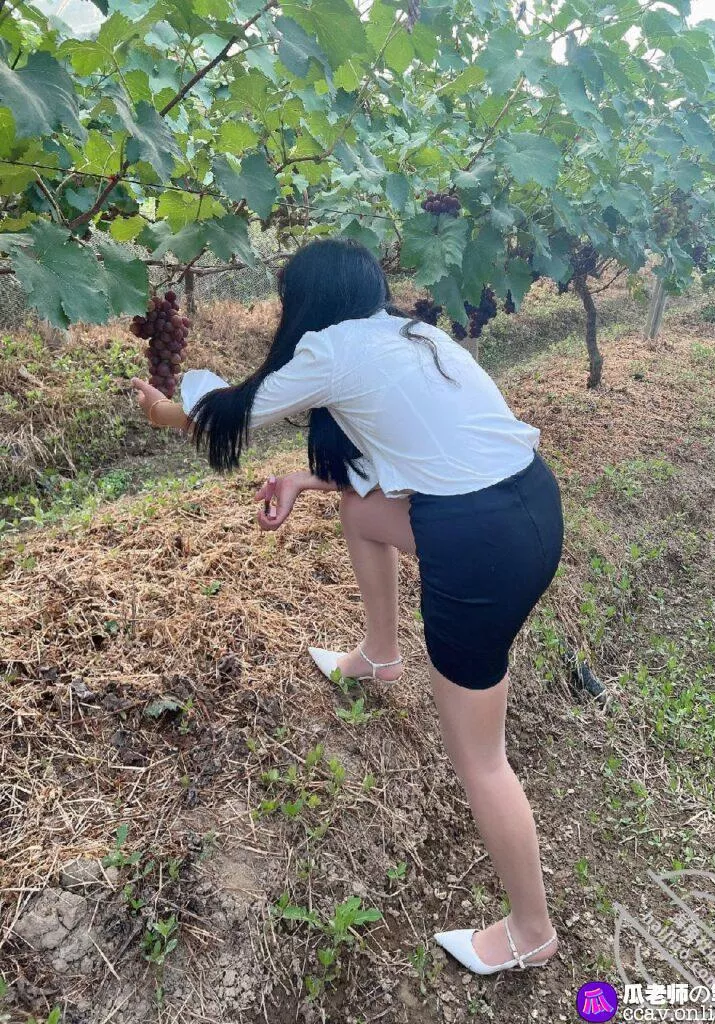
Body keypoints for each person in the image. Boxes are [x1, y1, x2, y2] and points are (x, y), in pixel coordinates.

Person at [131, 238, 564, 975]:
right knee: (362, 512)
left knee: (480, 759)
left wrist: (167, 413)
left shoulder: (331, 349)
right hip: (530, 505)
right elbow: (418, 443)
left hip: (479, 545)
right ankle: (379, 655)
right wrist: (306, 479)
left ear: (307, 300)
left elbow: (230, 413)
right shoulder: (412, 335)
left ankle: (531, 930)